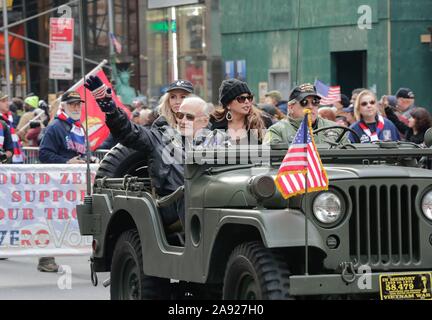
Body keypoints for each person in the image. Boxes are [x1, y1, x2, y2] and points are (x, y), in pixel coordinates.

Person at [84, 75, 229, 227]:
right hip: (174, 202)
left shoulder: (213, 136)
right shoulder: (157, 136)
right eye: (173, 97)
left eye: (183, 97)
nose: (178, 101)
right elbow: (129, 132)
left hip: (209, 197)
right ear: (167, 101)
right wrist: (111, 110)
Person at [38, 91, 94, 272]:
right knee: (54, 219)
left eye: (78, 104)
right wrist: (66, 162)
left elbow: (82, 151)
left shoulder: (79, 127)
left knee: (82, 215)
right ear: (64, 106)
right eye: (72, 104)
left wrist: (88, 159)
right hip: (57, 184)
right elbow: (44, 153)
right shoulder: (55, 127)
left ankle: (92, 252)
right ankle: (46, 258)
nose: (76, 107)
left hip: (75, 183)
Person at [264, 83, 348, 145]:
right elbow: (269, 162)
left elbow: (350, 155)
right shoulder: (276, 131)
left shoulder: (336, 128)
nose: (310, 106)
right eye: (304, 102)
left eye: (315, 102)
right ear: (291, 107)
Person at [210, 79, 267, 144]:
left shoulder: (263, 122)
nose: (247, 101)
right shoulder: (213, 124)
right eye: (241, 99)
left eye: (249, 97)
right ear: (228, 105)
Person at [0, 92, 24, 163]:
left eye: (7, 100)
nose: (7, 103)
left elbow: (10, 148)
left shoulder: (6, 122)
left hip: (7, 165)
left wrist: (4, 156)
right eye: (3, 101)